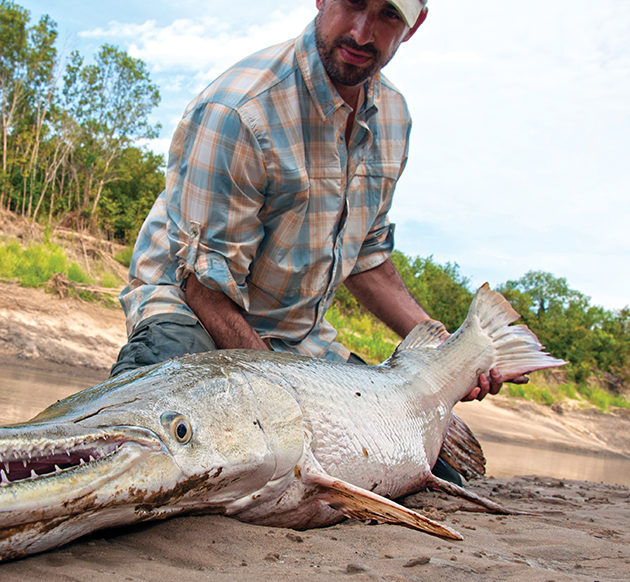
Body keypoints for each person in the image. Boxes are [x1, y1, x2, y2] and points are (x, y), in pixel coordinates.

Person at [112, 0, 517, 407]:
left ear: (414, 26)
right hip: (191, 311)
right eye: (354, 3)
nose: (362, 32)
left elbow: (367, 258)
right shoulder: (240, 110)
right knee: (159, 428)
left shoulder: (394, 117)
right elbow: (203, 290)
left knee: (429, 464)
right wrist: (291, 405)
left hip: (296, 339)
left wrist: (449, 350)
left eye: (389, 14)